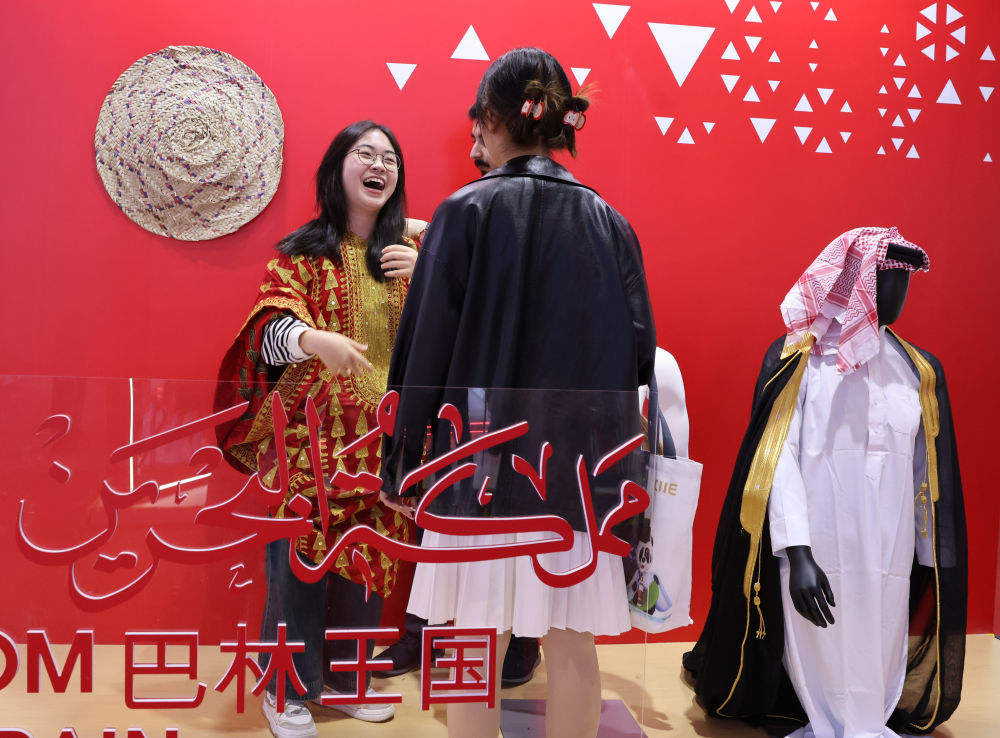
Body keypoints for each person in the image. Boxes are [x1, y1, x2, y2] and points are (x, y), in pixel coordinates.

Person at [381, 47, 656, 738]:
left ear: (494, 120)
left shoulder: (462, 211)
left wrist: (401, 458)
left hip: (476, 465)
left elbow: (422, 352)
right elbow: (639, 356)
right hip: (577, 475)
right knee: (571, 638)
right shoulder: (611, 223)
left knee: (470, 637)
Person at [683, 228, 967, 737]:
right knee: (824, 641)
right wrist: (798, 552)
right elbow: (778, 462)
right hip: (820, 540)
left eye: (906, 278)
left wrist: (929, 552)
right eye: (890, 276)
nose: (900, 291)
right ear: (858, 279)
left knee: (880, 636)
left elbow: (926, 468)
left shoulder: (916, 369)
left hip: (891, 547)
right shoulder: (800, 360)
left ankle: (867, 722)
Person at [215, 120, 418, 738]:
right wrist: (311, 339)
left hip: (384, 442)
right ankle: (285, 688)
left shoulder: (409, 259)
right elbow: (268, 327)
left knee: (367, 565)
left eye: (390, 158)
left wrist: (432, 268)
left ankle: (342, 680)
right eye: (365, 153)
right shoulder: (303, 253)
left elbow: (455, 333)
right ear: (337, 169)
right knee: (299, 565)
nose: (379, 165)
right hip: (312, 440)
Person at [372, 112, 541, 690]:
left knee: (512, 518)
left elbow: (503, 296)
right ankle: (425, 630)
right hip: (459, 398)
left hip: (513, 394)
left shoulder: (498, 211)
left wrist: (430, 269)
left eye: (480, 135)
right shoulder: (461, 213)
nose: (475, 149)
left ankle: (519, 640)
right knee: (451, 513)